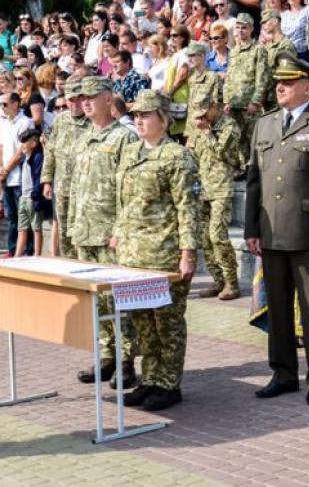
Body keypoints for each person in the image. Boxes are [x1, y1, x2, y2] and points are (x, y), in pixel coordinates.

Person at [244, 53, 309, 405]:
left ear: (307, 86)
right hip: (272, 234)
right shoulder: (265, 124)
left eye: (288, 83)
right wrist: (251, 229)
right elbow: (255, 181)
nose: (280, 88)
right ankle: (283, 372)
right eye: (278, 82)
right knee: (278, 307)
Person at [114, 90, 200, 411]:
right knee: (142, 324)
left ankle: (168, 383)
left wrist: (188, 253)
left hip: (164, 256)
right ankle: (149, 379)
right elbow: (124, 204)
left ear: (163, 119)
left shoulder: (177, 158)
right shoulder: (131, 153)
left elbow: (188, 208)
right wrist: (118, 235)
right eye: (135, 115)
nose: (138, 120)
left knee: (168, 323)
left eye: (145, 115)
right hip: (134, 256)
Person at [69, 77, 139, 390]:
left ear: (108, 99)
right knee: (97, 302)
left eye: (92, 97)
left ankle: (126, 362)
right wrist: (72, 225)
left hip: (110, 232)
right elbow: (75, 187)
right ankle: (107, 356)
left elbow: (130, 188)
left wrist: (121, 229)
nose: (85, 102)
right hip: (85, 231)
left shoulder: (124, 137)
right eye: (82, 98)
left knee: (119, 301)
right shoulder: (83, 137)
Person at [192, 93, 241, 301]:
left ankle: (232, 282)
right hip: (203, 188)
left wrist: (207, 133)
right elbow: (196, 155)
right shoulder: (203, 128)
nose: (202, 119)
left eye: (205, 114)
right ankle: (218, 279)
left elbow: (222, 152)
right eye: (199, 116)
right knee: (204, 238)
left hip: (221, 188)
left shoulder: (229, 126)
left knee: (217, 236)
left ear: (214, 107)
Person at [41, 77, 90, 259]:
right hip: (62, 186)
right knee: (64, 232)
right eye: (71, 99)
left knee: (82, 232)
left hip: (84, 189)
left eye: (79, 98)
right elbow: (50, 151)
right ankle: (68, 265)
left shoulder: (93, 121)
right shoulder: (60, 120)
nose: (75, 103)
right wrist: (46, 180)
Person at [223, 13, 268, 170]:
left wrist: (255, 101)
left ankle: (254, 170)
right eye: (238, 27)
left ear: (251, 29)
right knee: (238, 140)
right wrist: (226, 100)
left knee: (253, 140)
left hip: (249, 104)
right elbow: (229, 78)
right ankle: (243, 169)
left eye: (244, 28)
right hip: (234, 104)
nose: (240, 31)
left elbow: (262, 78)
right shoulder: (234, 51)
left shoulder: (258, 50)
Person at [0, 92, 34, 257]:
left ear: (15, 104)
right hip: (7, 178)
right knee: (11, 216)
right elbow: (1, 148)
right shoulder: (4, 124)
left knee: (23, 217)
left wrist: (7, 169)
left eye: (5, 104)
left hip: (20, 177)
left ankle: (27, 250)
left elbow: (22, 150)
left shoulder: (26, 122)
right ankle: (12, 249)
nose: (2, 108)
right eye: (1, 105)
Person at [14, 128, 47, 257]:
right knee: (21, 228)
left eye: (24, 142)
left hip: (33, 199)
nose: (21, 146)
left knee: (36, 228)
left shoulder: (38, 158)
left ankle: (37, 255)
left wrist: (35, 195)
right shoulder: (24, 158)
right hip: (23, 198)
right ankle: (17, 255)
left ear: (33, 143)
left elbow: (39, 178)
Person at [260, 10, 297, 111]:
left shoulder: (286, 45)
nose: (263, 25)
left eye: (265, 22)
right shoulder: (268, 46)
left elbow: (286, 73)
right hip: (269, 96)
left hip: (280, 95)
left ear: (275, 21)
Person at [185, 42, 219, 145]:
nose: (189, 59)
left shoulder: (212, 76)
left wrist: (206, 124)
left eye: (193, 55)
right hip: (192, 128)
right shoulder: (191, 77)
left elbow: (215, 104)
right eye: (188, 56)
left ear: (202, 56)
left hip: (205, 127)